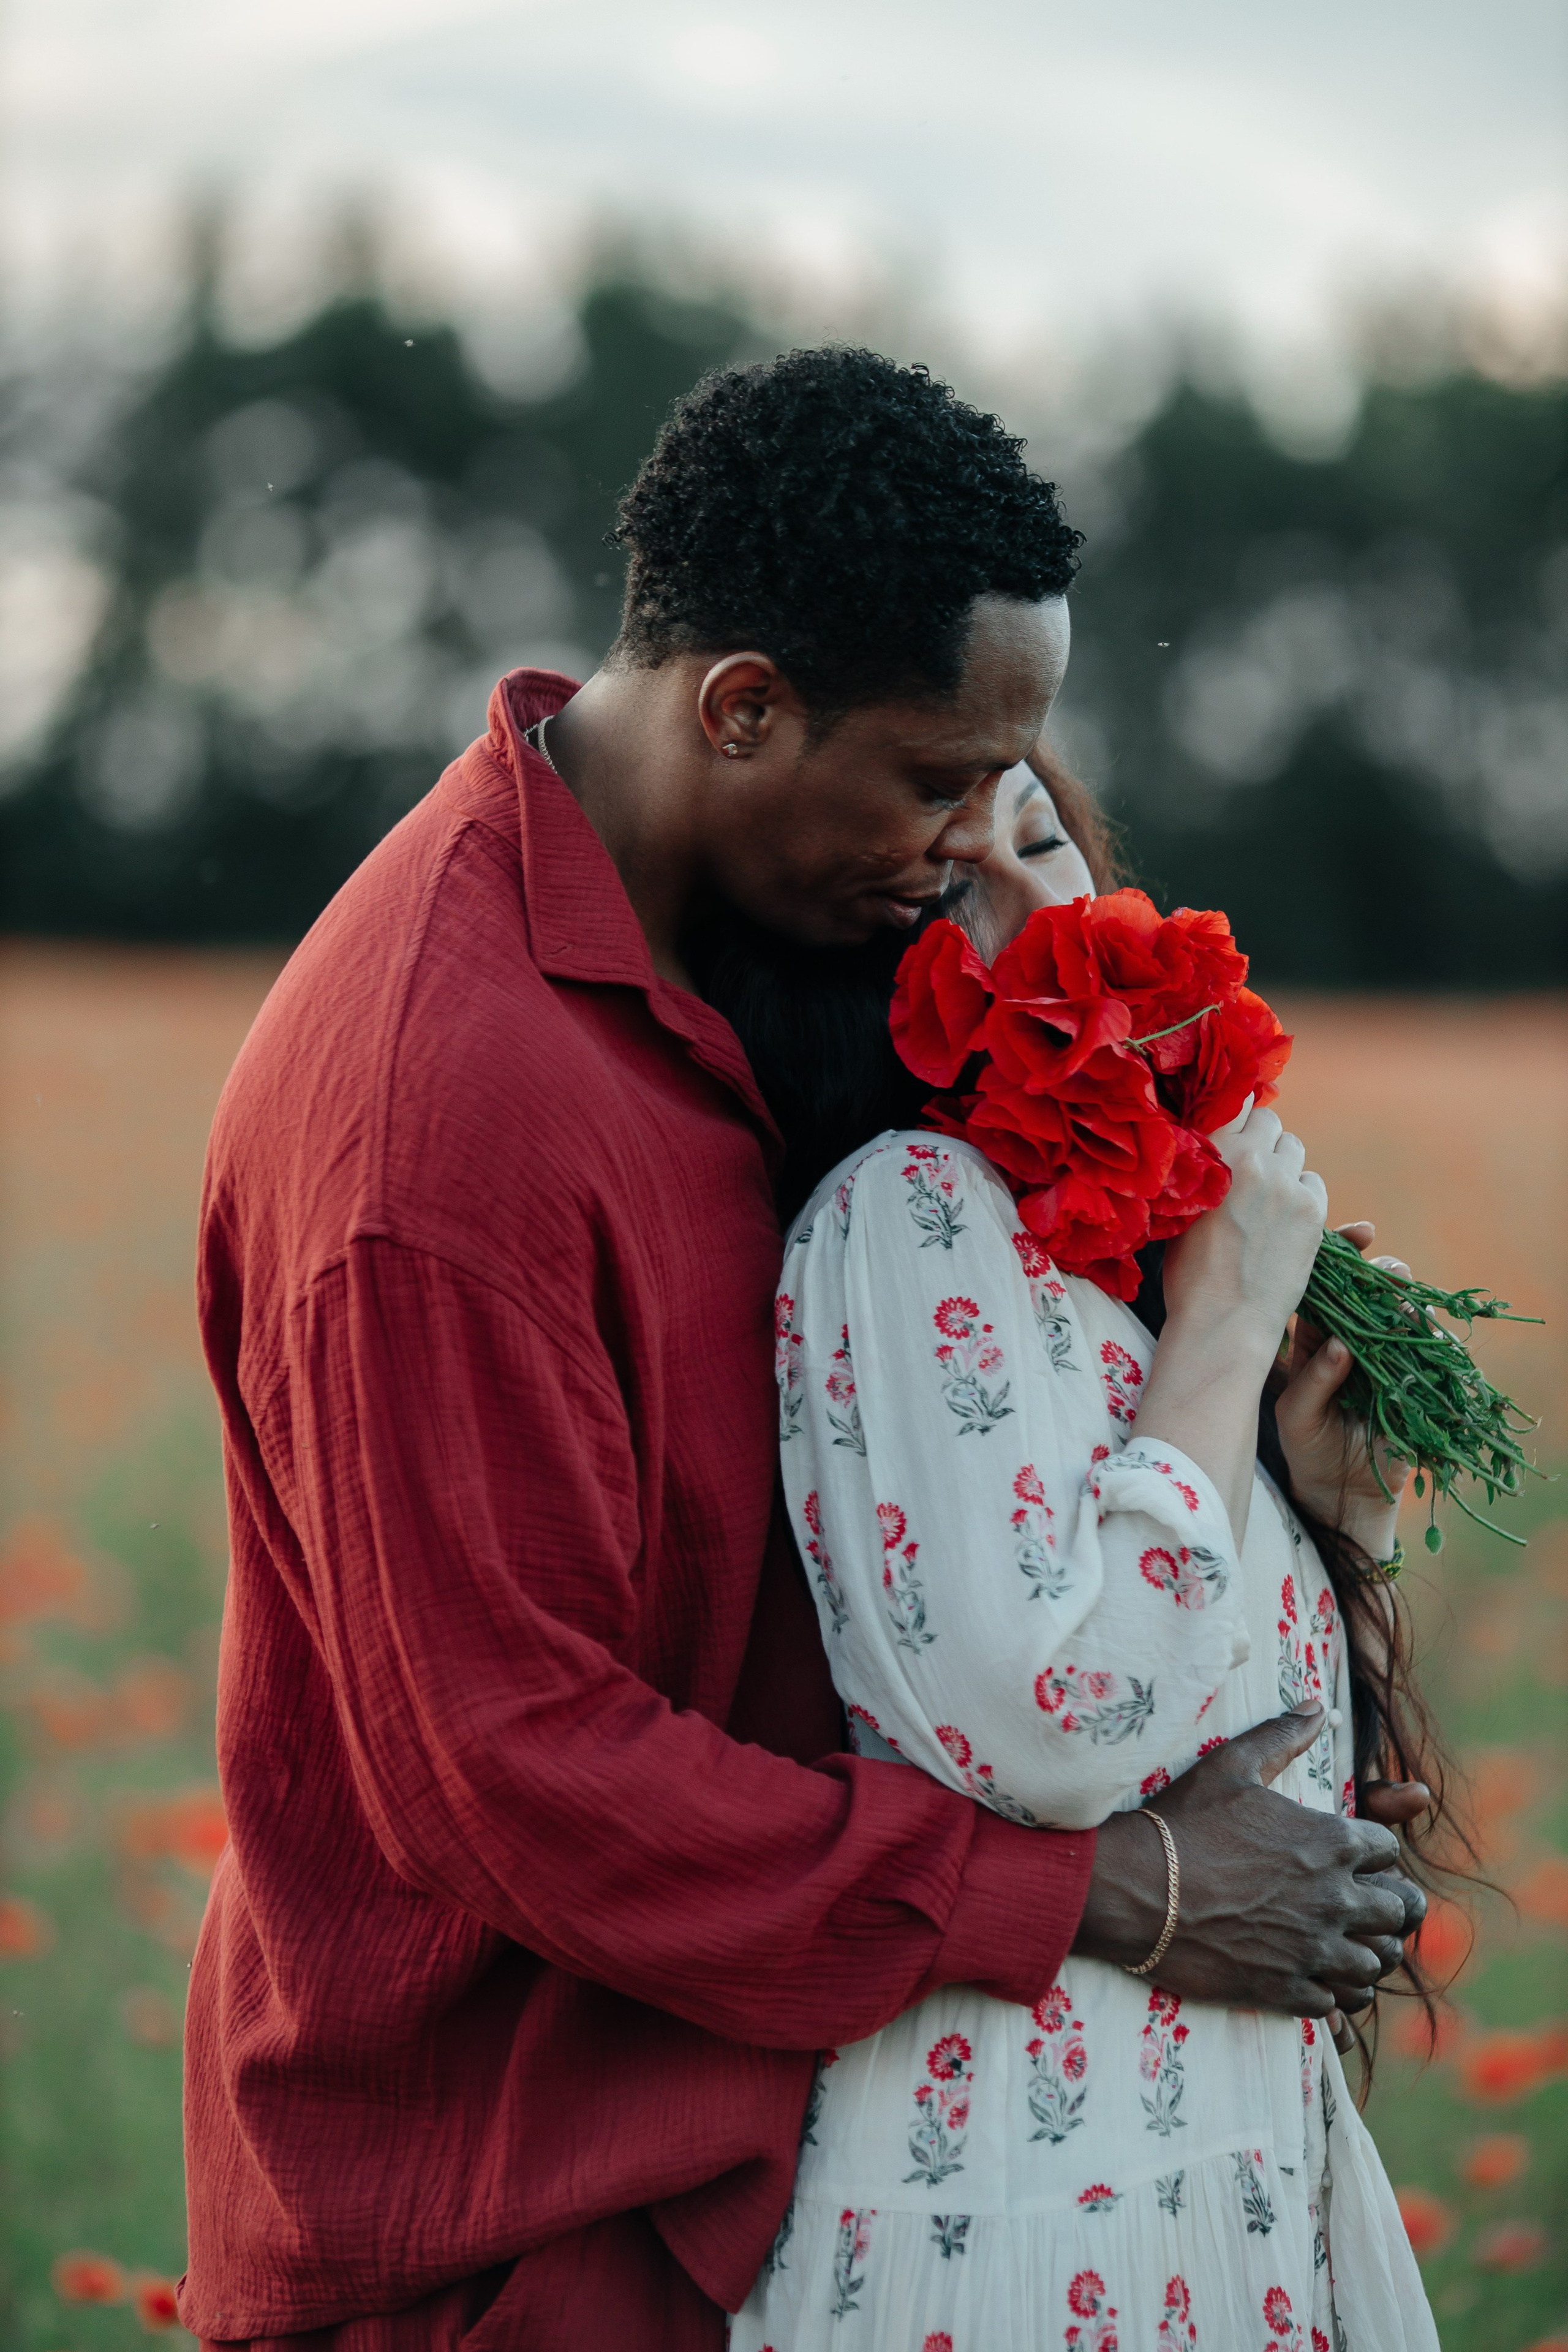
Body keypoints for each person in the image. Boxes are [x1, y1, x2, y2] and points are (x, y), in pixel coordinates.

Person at [183, 350, 1425, 2352]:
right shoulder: (440, 1118)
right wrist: (1116, 1894)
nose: (967, 847)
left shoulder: (767, 955)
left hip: (765, 2163)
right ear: (744, 705)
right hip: (514, 2222)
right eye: (937, 782)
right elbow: (516, 1780)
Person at [721, 753, 1442, 2350]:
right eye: (955, 885)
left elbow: (1277, 1769)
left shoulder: (1126, 1265)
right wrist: (1236, 1318)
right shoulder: (899, 1217)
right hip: (1032, 2234)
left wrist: (1342, 1533)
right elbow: (1063, 1731)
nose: (1051, 905)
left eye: (1048, 840)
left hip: (1218, 2182)